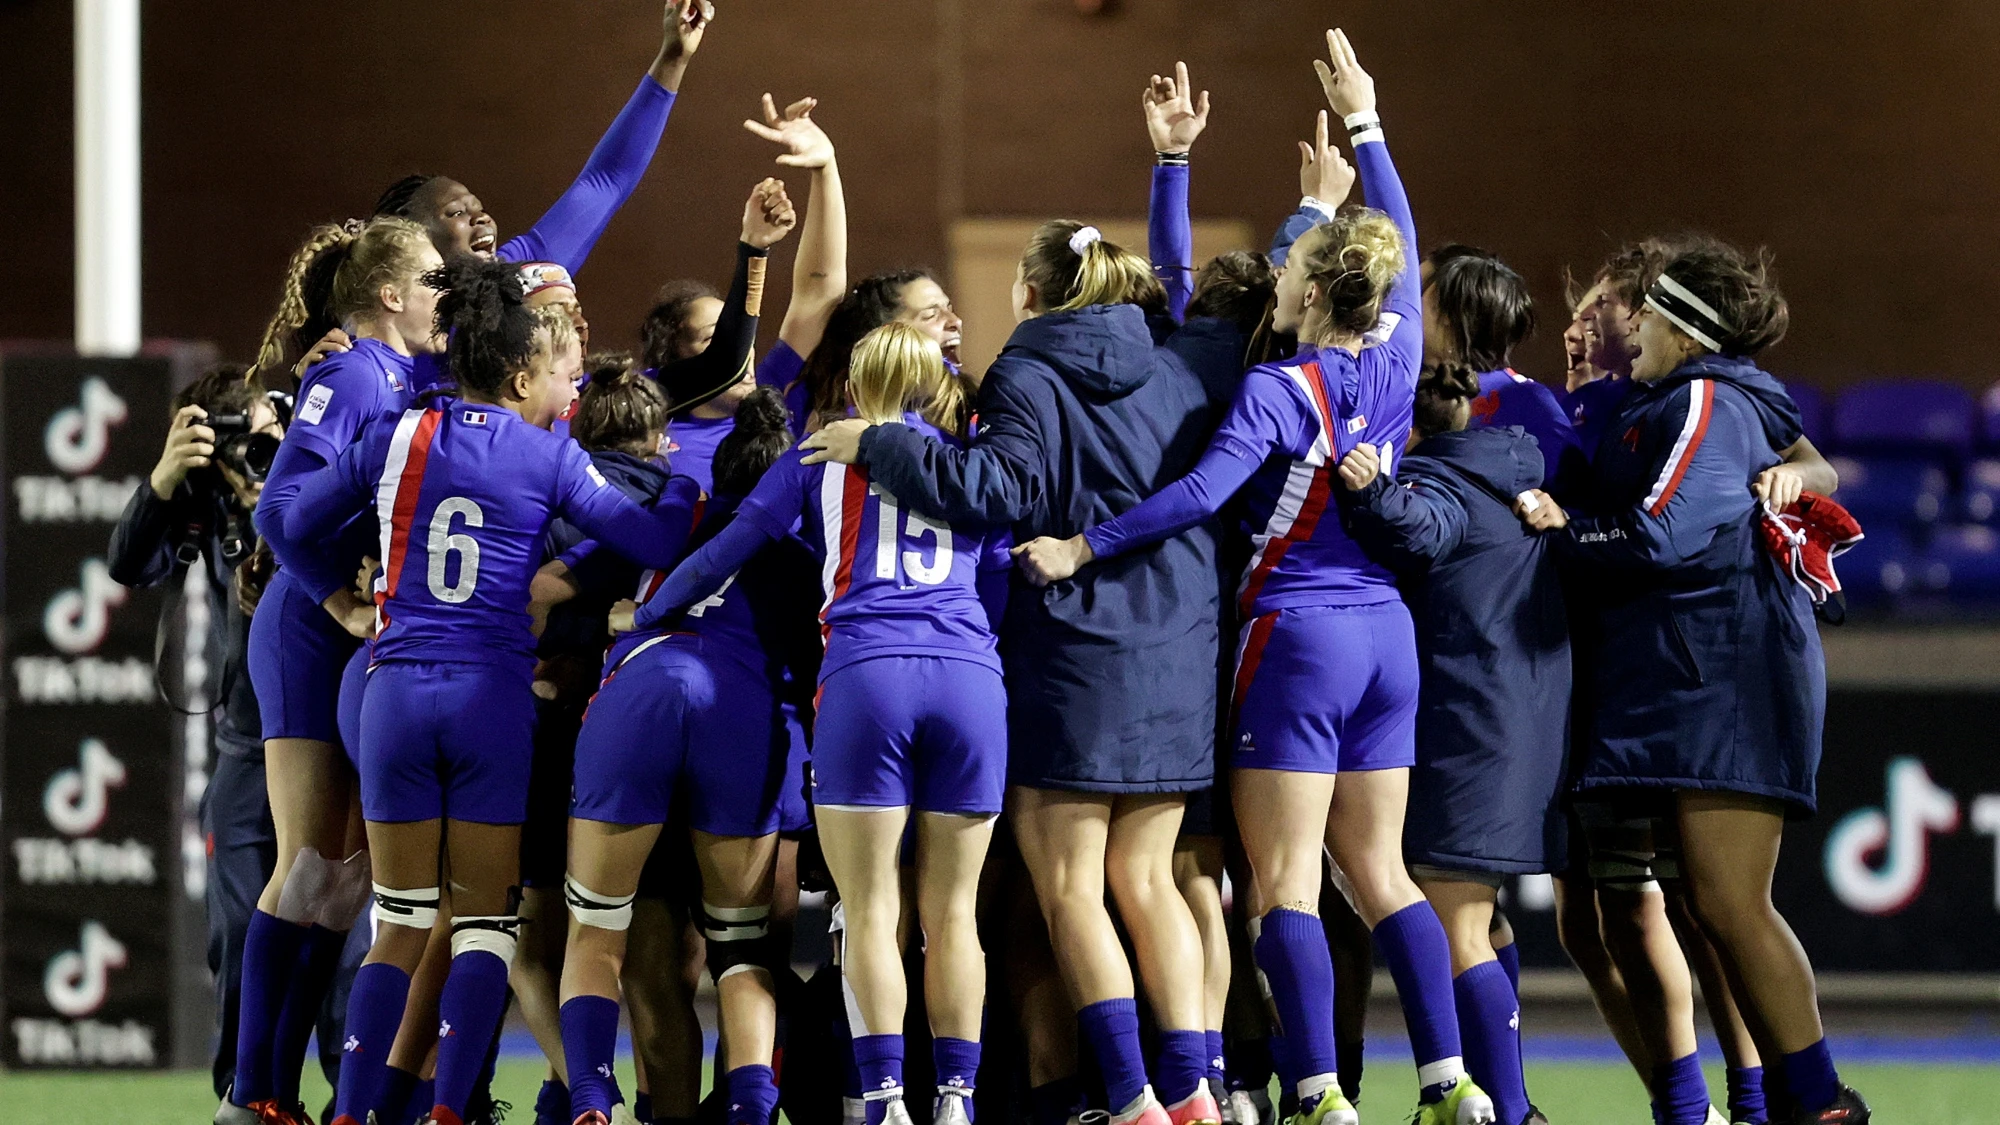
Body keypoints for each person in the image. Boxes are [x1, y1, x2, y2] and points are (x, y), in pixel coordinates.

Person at [1012, 31, 1493, 1125]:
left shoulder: (1277, 392)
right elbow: (1399, 237)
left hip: (1296, 633)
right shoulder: (1401, 342)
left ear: (1312, 292)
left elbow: (1189, 492)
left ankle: (1316, 1090)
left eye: (1291, 263)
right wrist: (1365, 126)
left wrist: (1085, 546)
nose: (1275, 270)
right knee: (1383, 877)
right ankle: (1445, 1079)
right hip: (1387, 636)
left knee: (1281, 886)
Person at [803, 110, 1224, 1125]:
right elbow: (1178, 287)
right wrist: (1172, 167)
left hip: (1051, 646)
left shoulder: (1022, 371)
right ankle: (1199, 1090)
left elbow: (997, 489)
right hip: (1174, 647)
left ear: (1027, 294)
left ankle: (1113, 1099)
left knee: (1054, 887)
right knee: (1159, 882)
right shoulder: (1179, 358)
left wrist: (874, 447)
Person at [279, 259, 702, 1125]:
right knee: (481, 928)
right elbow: (655, 528)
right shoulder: (550, 455)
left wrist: (342, 600)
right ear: (521, 376)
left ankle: (354, 1113)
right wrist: (683, 478)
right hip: (490, 701)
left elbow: (284, 518)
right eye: (558, 373)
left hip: (393, 690)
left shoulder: (400, 435)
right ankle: (443, 1116)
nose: (569, 385)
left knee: (396, 921)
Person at [1515, 237, 1870, 1125]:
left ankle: (1818, 1102)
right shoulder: (1689, 395)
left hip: (1725, 677)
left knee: (1728, 902)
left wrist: (1564, 532)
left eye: (1645, 312)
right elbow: (1798, 459)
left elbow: (1664, 532)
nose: (1630, 324)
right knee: (1713, 905)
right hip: (1701, 674)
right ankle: (1795, 1100)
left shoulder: (1706, 396)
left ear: (1680, 325)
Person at [620, 323, 1006, 1125]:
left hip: (867, 675)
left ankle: (887, 1098)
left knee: (870, 909)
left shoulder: (817, 457)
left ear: (859, 382)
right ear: (938, 385)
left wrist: (648, 612)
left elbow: (728, 549)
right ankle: (958, 1100)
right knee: (954, 914)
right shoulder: (973, 462)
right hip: (969, 677)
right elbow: (1000, 570)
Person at [225, 216, 445, 1125]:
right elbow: (279, 510)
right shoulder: (354, 370)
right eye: (434, 276)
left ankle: (283, 1092)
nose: (449, 289)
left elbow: (579, 212)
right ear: (389, 293)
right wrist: (339, 604)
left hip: (352, 634)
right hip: (310, 631)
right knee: (307, 868)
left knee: (346, 882)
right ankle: (252, 1094)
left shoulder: (408, 372)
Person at [1334, 362, 1570, 1125]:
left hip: (1472, 719)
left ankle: (1505, 1109)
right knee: (1484, 921)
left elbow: (1421, 525)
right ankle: (1509, 1098)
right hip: (1517, 717)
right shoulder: (1518, 464)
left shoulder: (1443, 480)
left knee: (1455, 925)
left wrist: (1370, 490)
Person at [108, 366, 329, 1102]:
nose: (248, 457)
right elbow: (129, 564)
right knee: (239, 927)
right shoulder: (201, 499)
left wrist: (285, 463)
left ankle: (356, 1100)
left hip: (329, 742)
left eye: (259, 436)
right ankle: (248, 1098)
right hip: (245, 744)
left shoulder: (319, 464)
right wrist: (167, 477)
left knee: (345, 940)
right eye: (229, 443)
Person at [371, 1, 714, 273]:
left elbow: (607, 179)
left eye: (478, 207)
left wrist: (674, 57)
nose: (482, 217)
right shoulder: (371, 342)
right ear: (408, 240)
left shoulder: (518, 277)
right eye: (456, 212)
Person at [1419, 245, 1581, 493]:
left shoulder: (1524, 401)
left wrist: (1559, 513)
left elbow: (1577, 499)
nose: (1394, 303)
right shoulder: (1394, 380)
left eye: (1412, 291)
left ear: (1448, 312)